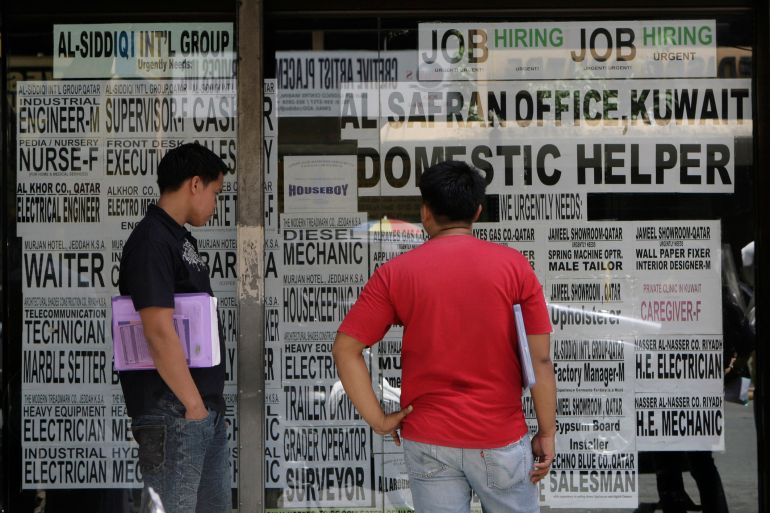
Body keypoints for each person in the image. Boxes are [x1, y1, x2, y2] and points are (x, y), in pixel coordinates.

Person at [333, 160, 557, 513]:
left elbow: (346, 349)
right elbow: (540, 358)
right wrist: (546, 432)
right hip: (499, 435)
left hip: (429, 437)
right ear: (478, 211)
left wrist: (379, 419)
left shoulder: (395, 274)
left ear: (425, 212)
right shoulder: (515, 267)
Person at [118, 143, 230, 513]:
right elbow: (157, 331)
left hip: (196, 411)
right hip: (175, 413)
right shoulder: (152, 240)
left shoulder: (176, 238)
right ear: (195, 184)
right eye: (215, 193)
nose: (216, 205)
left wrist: (203, 407)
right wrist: (193, 404)